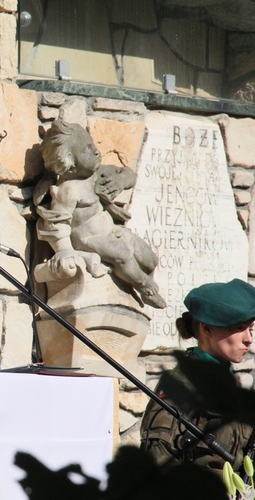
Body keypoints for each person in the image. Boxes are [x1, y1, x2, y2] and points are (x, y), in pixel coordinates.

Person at [34, 119, 166, 309]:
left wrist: (120, 181)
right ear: (69, 164)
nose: (96, 151)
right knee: (121, 254)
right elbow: (57, 224)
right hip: (88, 239)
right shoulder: (69, 190)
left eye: (93, 145)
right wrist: (65, 250)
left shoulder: (95, 174)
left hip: (113, 231)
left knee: (150, 259)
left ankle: (141, 280)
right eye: (87, 149)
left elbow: (128, 174)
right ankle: (144, 286)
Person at [140, 278, 255, 473]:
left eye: (251, 329)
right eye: (238, 328)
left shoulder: (226, 382)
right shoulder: (182, 386)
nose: (248, 339)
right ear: (207, 328)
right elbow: (157, 464)